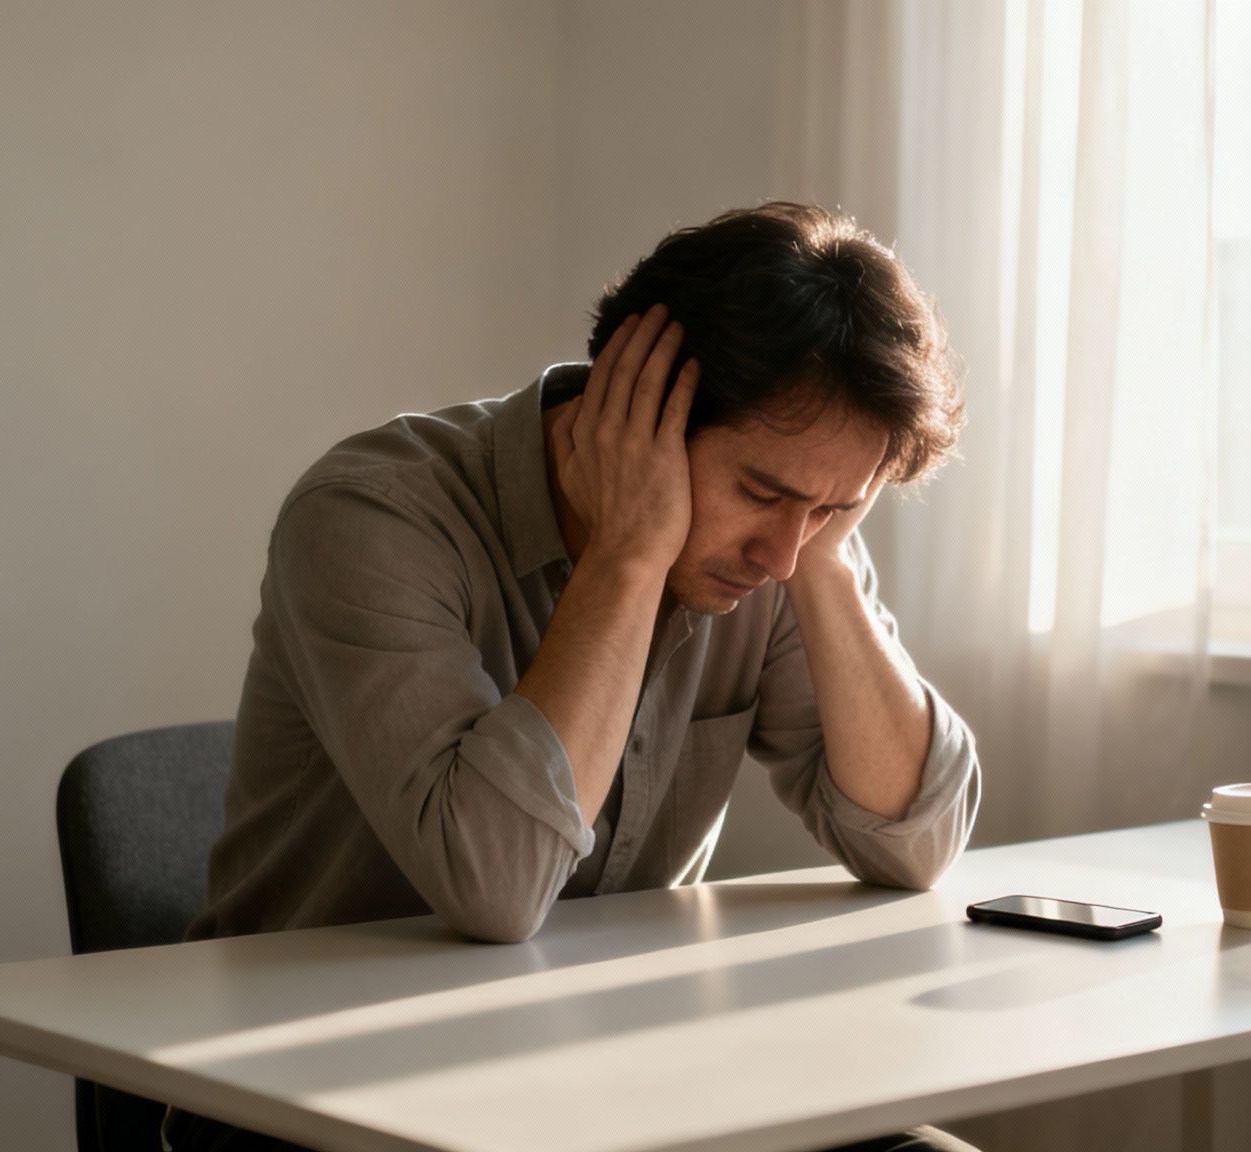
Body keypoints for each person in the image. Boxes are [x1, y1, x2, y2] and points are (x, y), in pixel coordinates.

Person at [163, 202, 983, 1152]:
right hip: (321, 1104)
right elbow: (496, 885)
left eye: (834, 508)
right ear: (628, 413)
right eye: (761, 492)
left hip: (619, 1085)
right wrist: (628, 557)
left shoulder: (789, 553)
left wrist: (835, 565)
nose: (781, 553)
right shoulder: (371, 519)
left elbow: (916, 842)